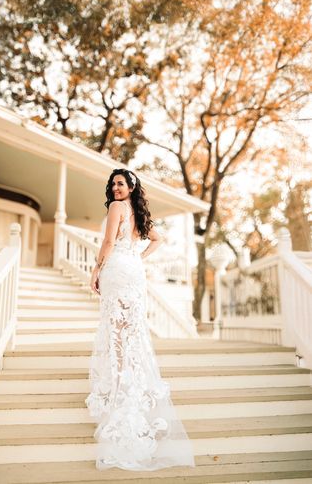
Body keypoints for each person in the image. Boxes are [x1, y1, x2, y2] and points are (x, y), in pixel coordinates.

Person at [85, 168, 196, 471]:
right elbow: (157, 238)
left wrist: (95, 270)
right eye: (112, 184)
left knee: (116, 329)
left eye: (120, 183)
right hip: (133, 270)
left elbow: (108, 244)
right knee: (131, 330)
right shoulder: (137, 211)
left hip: (118, 268)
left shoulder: (116, 208)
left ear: (131, 187)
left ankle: (120, 382)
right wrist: (138, 257)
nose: (115, 187)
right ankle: (129, 381)